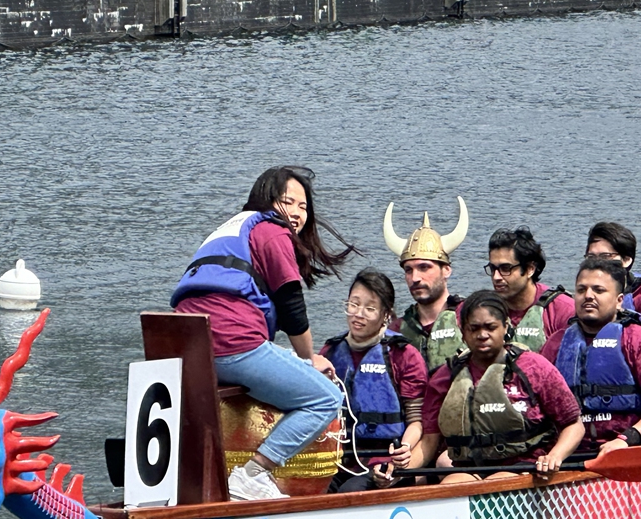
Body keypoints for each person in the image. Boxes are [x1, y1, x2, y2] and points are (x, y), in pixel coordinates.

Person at [171, 166, 356, 501]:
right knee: (326, 398)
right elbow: (291, 308)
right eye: (290, 202)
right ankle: (253, 474)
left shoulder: (230, 229)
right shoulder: (272, 229)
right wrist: (307, 360)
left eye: (304, 206)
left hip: (187, 345)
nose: (298, 213)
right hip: (232, 343)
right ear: (268, 201)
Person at [409, 290, 585, 485]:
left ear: (505, 327)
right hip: (470, 467)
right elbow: (429, 441)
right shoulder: (445, 377)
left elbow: (573, 424)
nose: (482, 335)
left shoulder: (534, 367)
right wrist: (397, 471)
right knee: (451, 484)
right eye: (473, 329)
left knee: (497, 483)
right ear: (463, 332)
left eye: (490, 327)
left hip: (525, 466)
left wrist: (555, 456)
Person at [541, 258, 641, 453]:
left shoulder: (640, 340)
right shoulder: (556, 344)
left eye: (599, 290)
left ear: (619, 300)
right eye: (581, 290)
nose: (588, 296)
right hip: (571, 454)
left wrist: (626, 440)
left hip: (631, 449)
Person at [320, 269, 429, 493]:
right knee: (312, 493)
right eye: (353, 304)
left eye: (369, 309)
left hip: (382, 461)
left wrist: (403, 452)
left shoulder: (403, 354)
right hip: (338, 459)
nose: (358, 314)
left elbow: (416, 420)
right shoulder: (330, 352)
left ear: (386, 315)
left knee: (348, 494)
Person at [384, 197, 469, 374]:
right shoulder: (397, 330)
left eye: (424, 267)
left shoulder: (470, 317)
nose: (415, 278)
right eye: (408, 270)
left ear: (446, 270)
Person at [484, 227, 575, 352]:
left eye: (506, 268)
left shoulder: (563, 310)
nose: (496, 277)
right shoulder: (481, 309)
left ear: (529, 269)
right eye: (493, 269)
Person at [585, 221, 641, 321]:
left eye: (605, 256)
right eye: (591, 257)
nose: (597, 263)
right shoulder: (585, 293)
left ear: (626, 260)